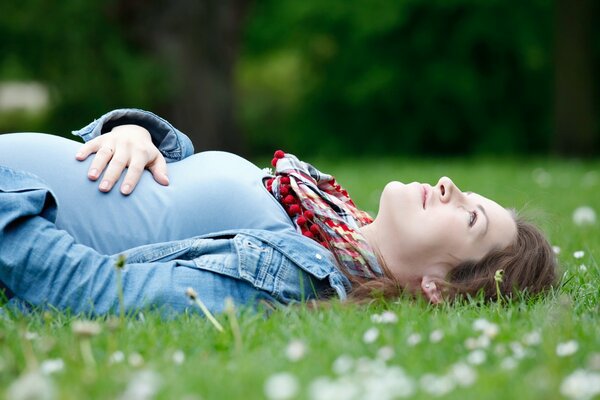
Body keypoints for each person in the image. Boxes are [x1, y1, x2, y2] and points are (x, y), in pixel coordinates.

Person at [0, 109, 558, 316]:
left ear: (438, 286)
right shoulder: (317, 212)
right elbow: (173, 190)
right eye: (468, 194)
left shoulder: (293, 278)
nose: (448, 185)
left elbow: (94, 291)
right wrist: (133, 133)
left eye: (468, 218)